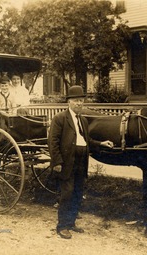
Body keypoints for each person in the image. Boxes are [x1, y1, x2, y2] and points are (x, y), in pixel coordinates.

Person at [48, 85, 114, 239]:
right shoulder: (60, 119)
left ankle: (71, 223)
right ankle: (62, 226)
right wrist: (57, 162)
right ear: (69, 102)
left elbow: (86, 140)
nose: (79, 103)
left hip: (81, 161)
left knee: (78, 192)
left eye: (81, 101)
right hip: (67, 162)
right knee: (67, 193)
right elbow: (53, 141)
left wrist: (101, 143)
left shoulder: (83, 120)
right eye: (76, 100)